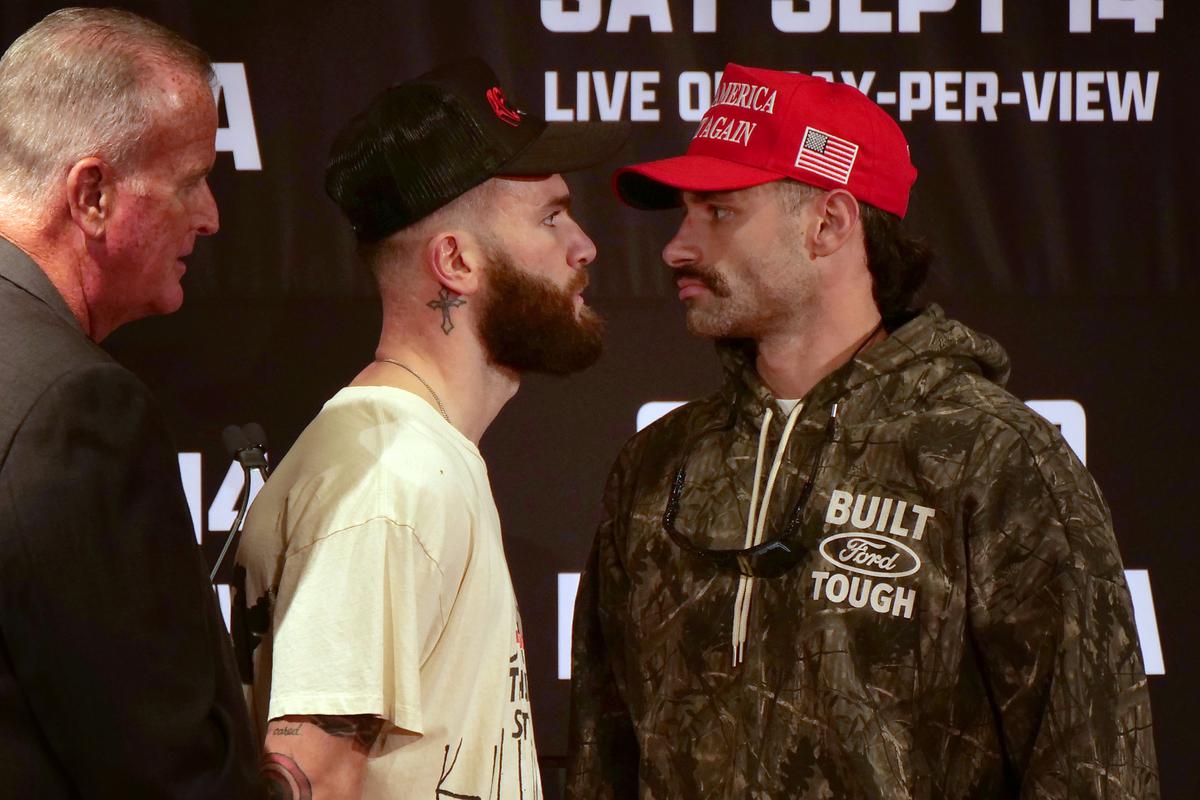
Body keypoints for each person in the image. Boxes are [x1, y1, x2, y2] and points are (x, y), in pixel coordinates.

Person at [566, 63, 1158, 799]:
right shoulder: (658, 462)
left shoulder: (995, 456)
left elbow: (1093, 769)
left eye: (718, 212)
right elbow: (602, 752)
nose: (677, 247)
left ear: (830, 223)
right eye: (686, 213)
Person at [232, 58, 627, 799]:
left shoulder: (417, 457)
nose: (585, 246)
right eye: (550, 217)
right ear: (455, 262)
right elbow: (309, 778)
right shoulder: (391, 480)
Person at [0, 7, 261, 797]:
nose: (212, 216)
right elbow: (159, 765)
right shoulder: (75, 407)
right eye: (191, 182)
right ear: (92, 196)